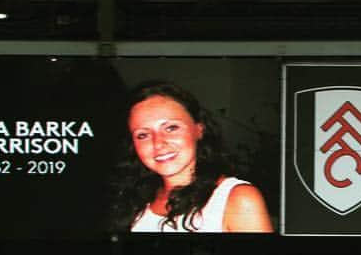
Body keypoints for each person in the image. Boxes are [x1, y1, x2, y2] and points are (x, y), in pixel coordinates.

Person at [114, 82, 274, 234]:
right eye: (143, 135)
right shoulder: (136, 200)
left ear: (199, 130)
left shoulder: (237, 199)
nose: (158, 143)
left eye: (171, 128)